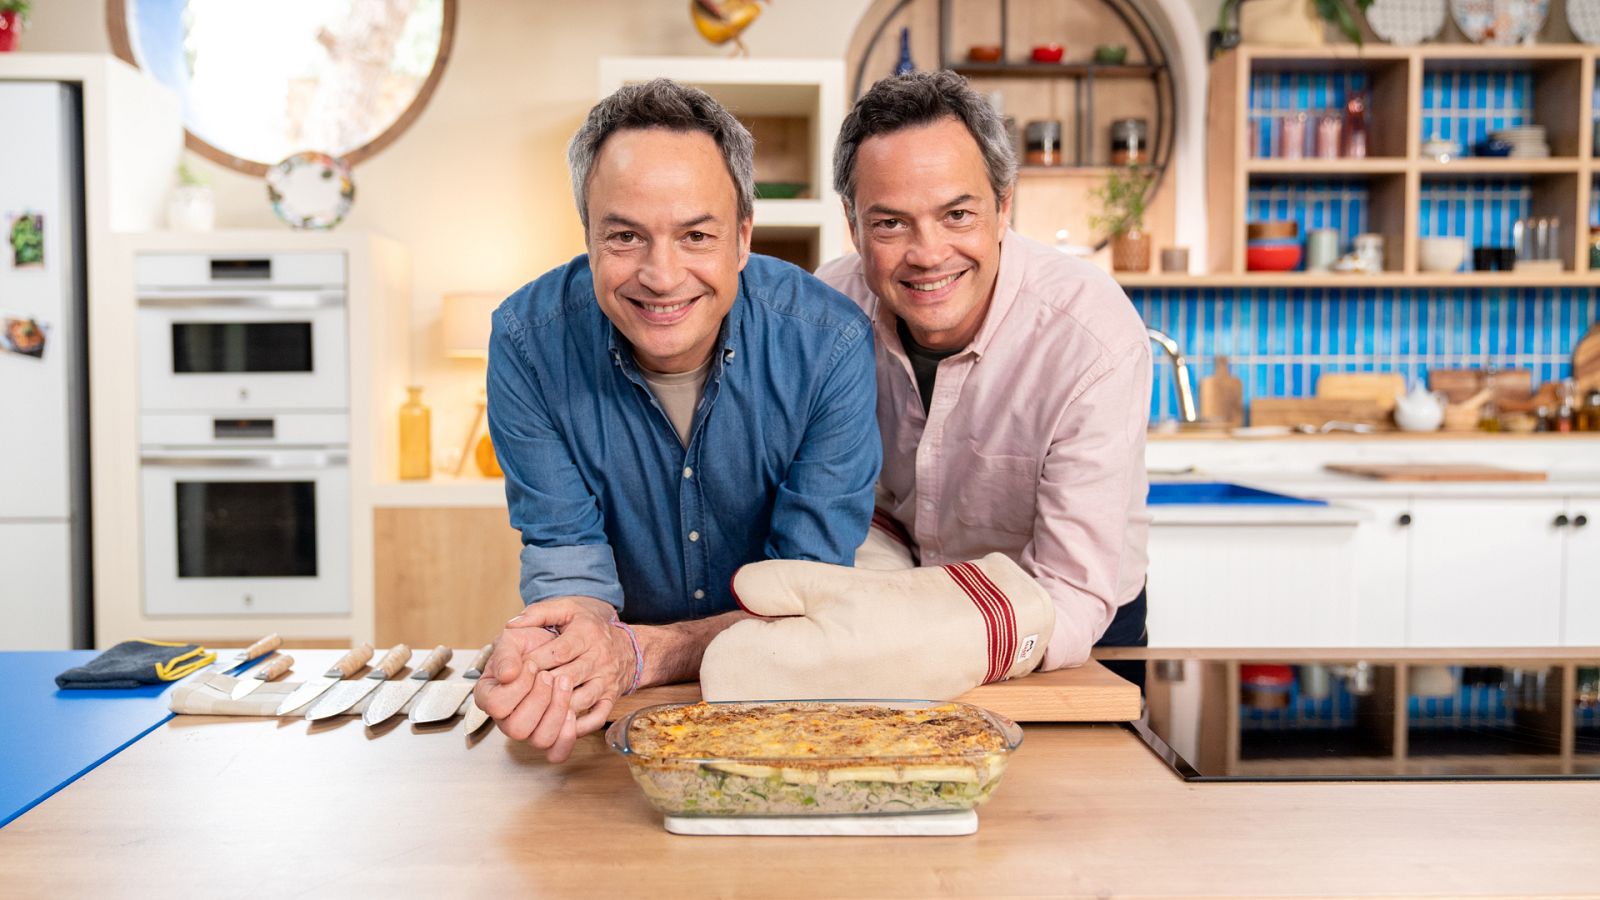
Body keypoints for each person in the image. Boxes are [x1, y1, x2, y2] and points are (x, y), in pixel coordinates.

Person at [473, 78, 881, 761]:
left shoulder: (830, 345)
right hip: (617, 716)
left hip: (783, 708)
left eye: (696, 234)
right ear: (589, 238)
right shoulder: (526, 341)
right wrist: (550, 655)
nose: (662, 276)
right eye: (626, 236)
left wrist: (641, 653)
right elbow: (566, 559)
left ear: (743, 238)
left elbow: (806, 595)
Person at [815, 70, 1153, 683]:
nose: (928, 253)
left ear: (1003, 207)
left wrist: (928, 646)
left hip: (1069, 632)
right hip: (897, 616)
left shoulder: (1091, 338)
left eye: (957, 214)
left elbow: (1073, 588)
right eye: (890, 223)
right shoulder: (824, 313)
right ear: (853, 221)